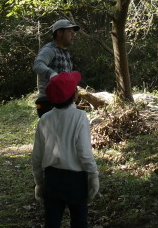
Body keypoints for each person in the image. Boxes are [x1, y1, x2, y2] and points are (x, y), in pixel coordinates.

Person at [31, 71, 99, 228]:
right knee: (79, 221)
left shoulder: (44, 119)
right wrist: (93, 176)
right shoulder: (79, 116)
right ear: (74, 95)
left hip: (52, 179)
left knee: (52, 222)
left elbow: (37, 156)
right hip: (75, 180)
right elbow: (84, 153)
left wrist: (39, 182)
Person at [34, 19, 79, 117]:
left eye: (73, 32)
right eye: (69, 32)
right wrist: (51, 74)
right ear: (59, 33)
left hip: (64, 102)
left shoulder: (65, 53)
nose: (73, 35)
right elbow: (38, 64)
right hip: (48, 102)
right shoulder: (49, 49)